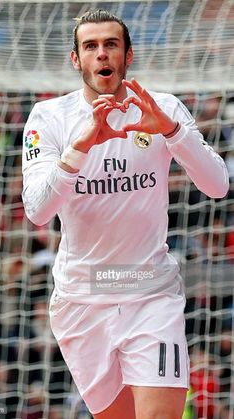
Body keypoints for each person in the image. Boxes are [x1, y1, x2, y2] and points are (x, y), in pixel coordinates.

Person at [22, 9, 229, 419]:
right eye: (91, 46)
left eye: (111, 44)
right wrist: (79, 148)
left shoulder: (162, 108)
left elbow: (218, 185)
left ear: (128, 55)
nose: (102, 54)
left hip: (150, 291)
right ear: (76, 58)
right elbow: (38, 212)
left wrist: (172, 131)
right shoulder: (50, 118)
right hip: (82, 299)